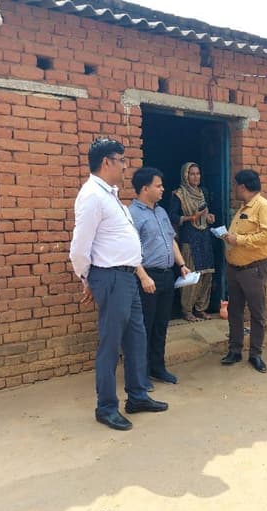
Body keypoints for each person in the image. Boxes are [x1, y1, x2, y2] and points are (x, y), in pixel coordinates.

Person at [69, 138, 168, 431]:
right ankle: (106, 407)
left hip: (126, 276)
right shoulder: (92, 196)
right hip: (110, 276)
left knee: (136, 338)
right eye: (121, 160)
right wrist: (87, 278)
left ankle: (137, 396)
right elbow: (79, 247)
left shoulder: (110, 195)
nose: (125, 166)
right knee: (110, 344)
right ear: (106, 162)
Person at [129, 167, 191, 387]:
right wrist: (143, 277)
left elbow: (171, 240)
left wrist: (181, 264)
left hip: (166, 275)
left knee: (161, 325)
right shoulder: (132, 214)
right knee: (143, 327)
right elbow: (129, 250)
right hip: (147, 277)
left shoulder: (161, 212)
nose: (163, 189)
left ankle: (158, 367)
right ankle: (141, 374)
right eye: (158, 185)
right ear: (145, 188)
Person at [220, 169, 267, 373]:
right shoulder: (243, 207)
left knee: (257, 312)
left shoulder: (263, 207)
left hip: (253, 269)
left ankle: (255, 354)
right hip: (234, 268)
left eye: (235, 185)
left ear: (242, 187)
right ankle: (235, 350)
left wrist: (239, 240)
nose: (234, 189)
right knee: (234, 311)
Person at [169, 162, 216, 322]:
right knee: (191, 274)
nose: (196, 177)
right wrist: (191, 218)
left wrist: (208, 217)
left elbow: (205, 212)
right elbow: (172, 217)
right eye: (192, 174)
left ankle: (201, 308)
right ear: (185, 176)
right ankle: (187, 309)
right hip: (189, 237)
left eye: (198, 173)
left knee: (206, 273)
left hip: (204, 236)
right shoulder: (179, 195)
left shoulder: (203, 192)